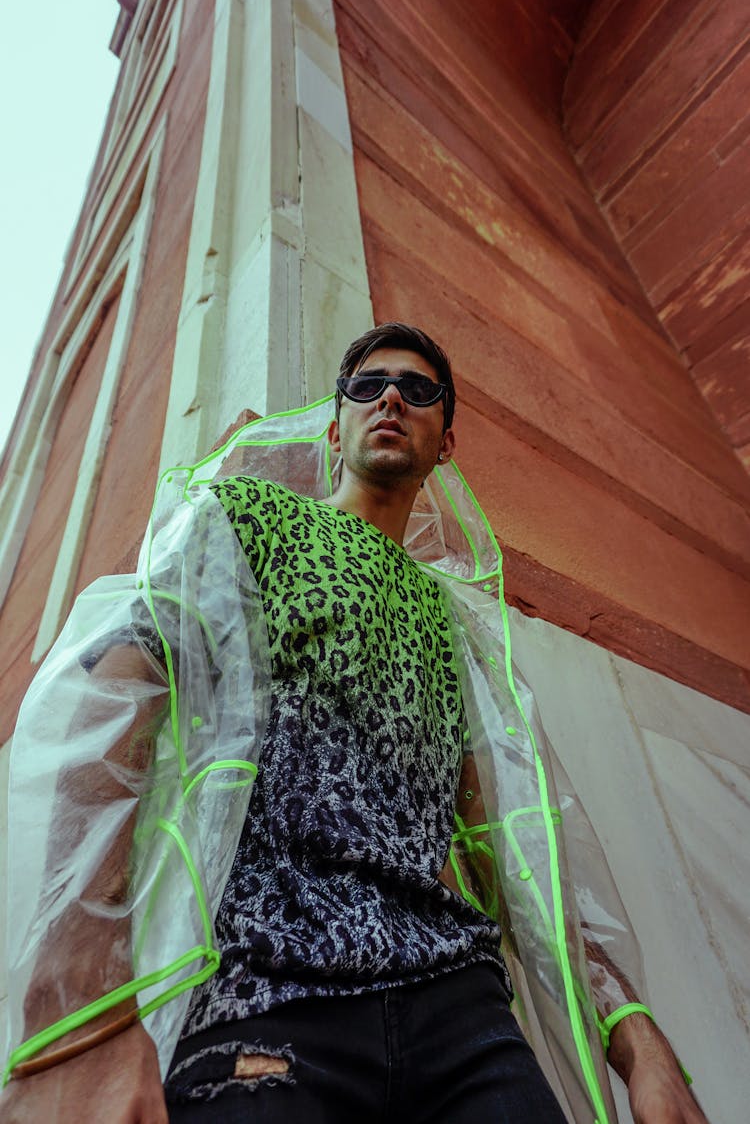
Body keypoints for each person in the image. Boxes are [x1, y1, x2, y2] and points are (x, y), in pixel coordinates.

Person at [1, 324, 708, 1123]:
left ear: (446, 442)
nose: (393, 397)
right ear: (335, 429)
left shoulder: (453, 626)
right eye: (368, 387)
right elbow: (114, 696)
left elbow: (516, 851)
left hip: (462, 1014)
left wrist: (637, 1039)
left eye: (419, 388)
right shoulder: (250, 518)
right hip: (266, 993)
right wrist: (75, 1008)